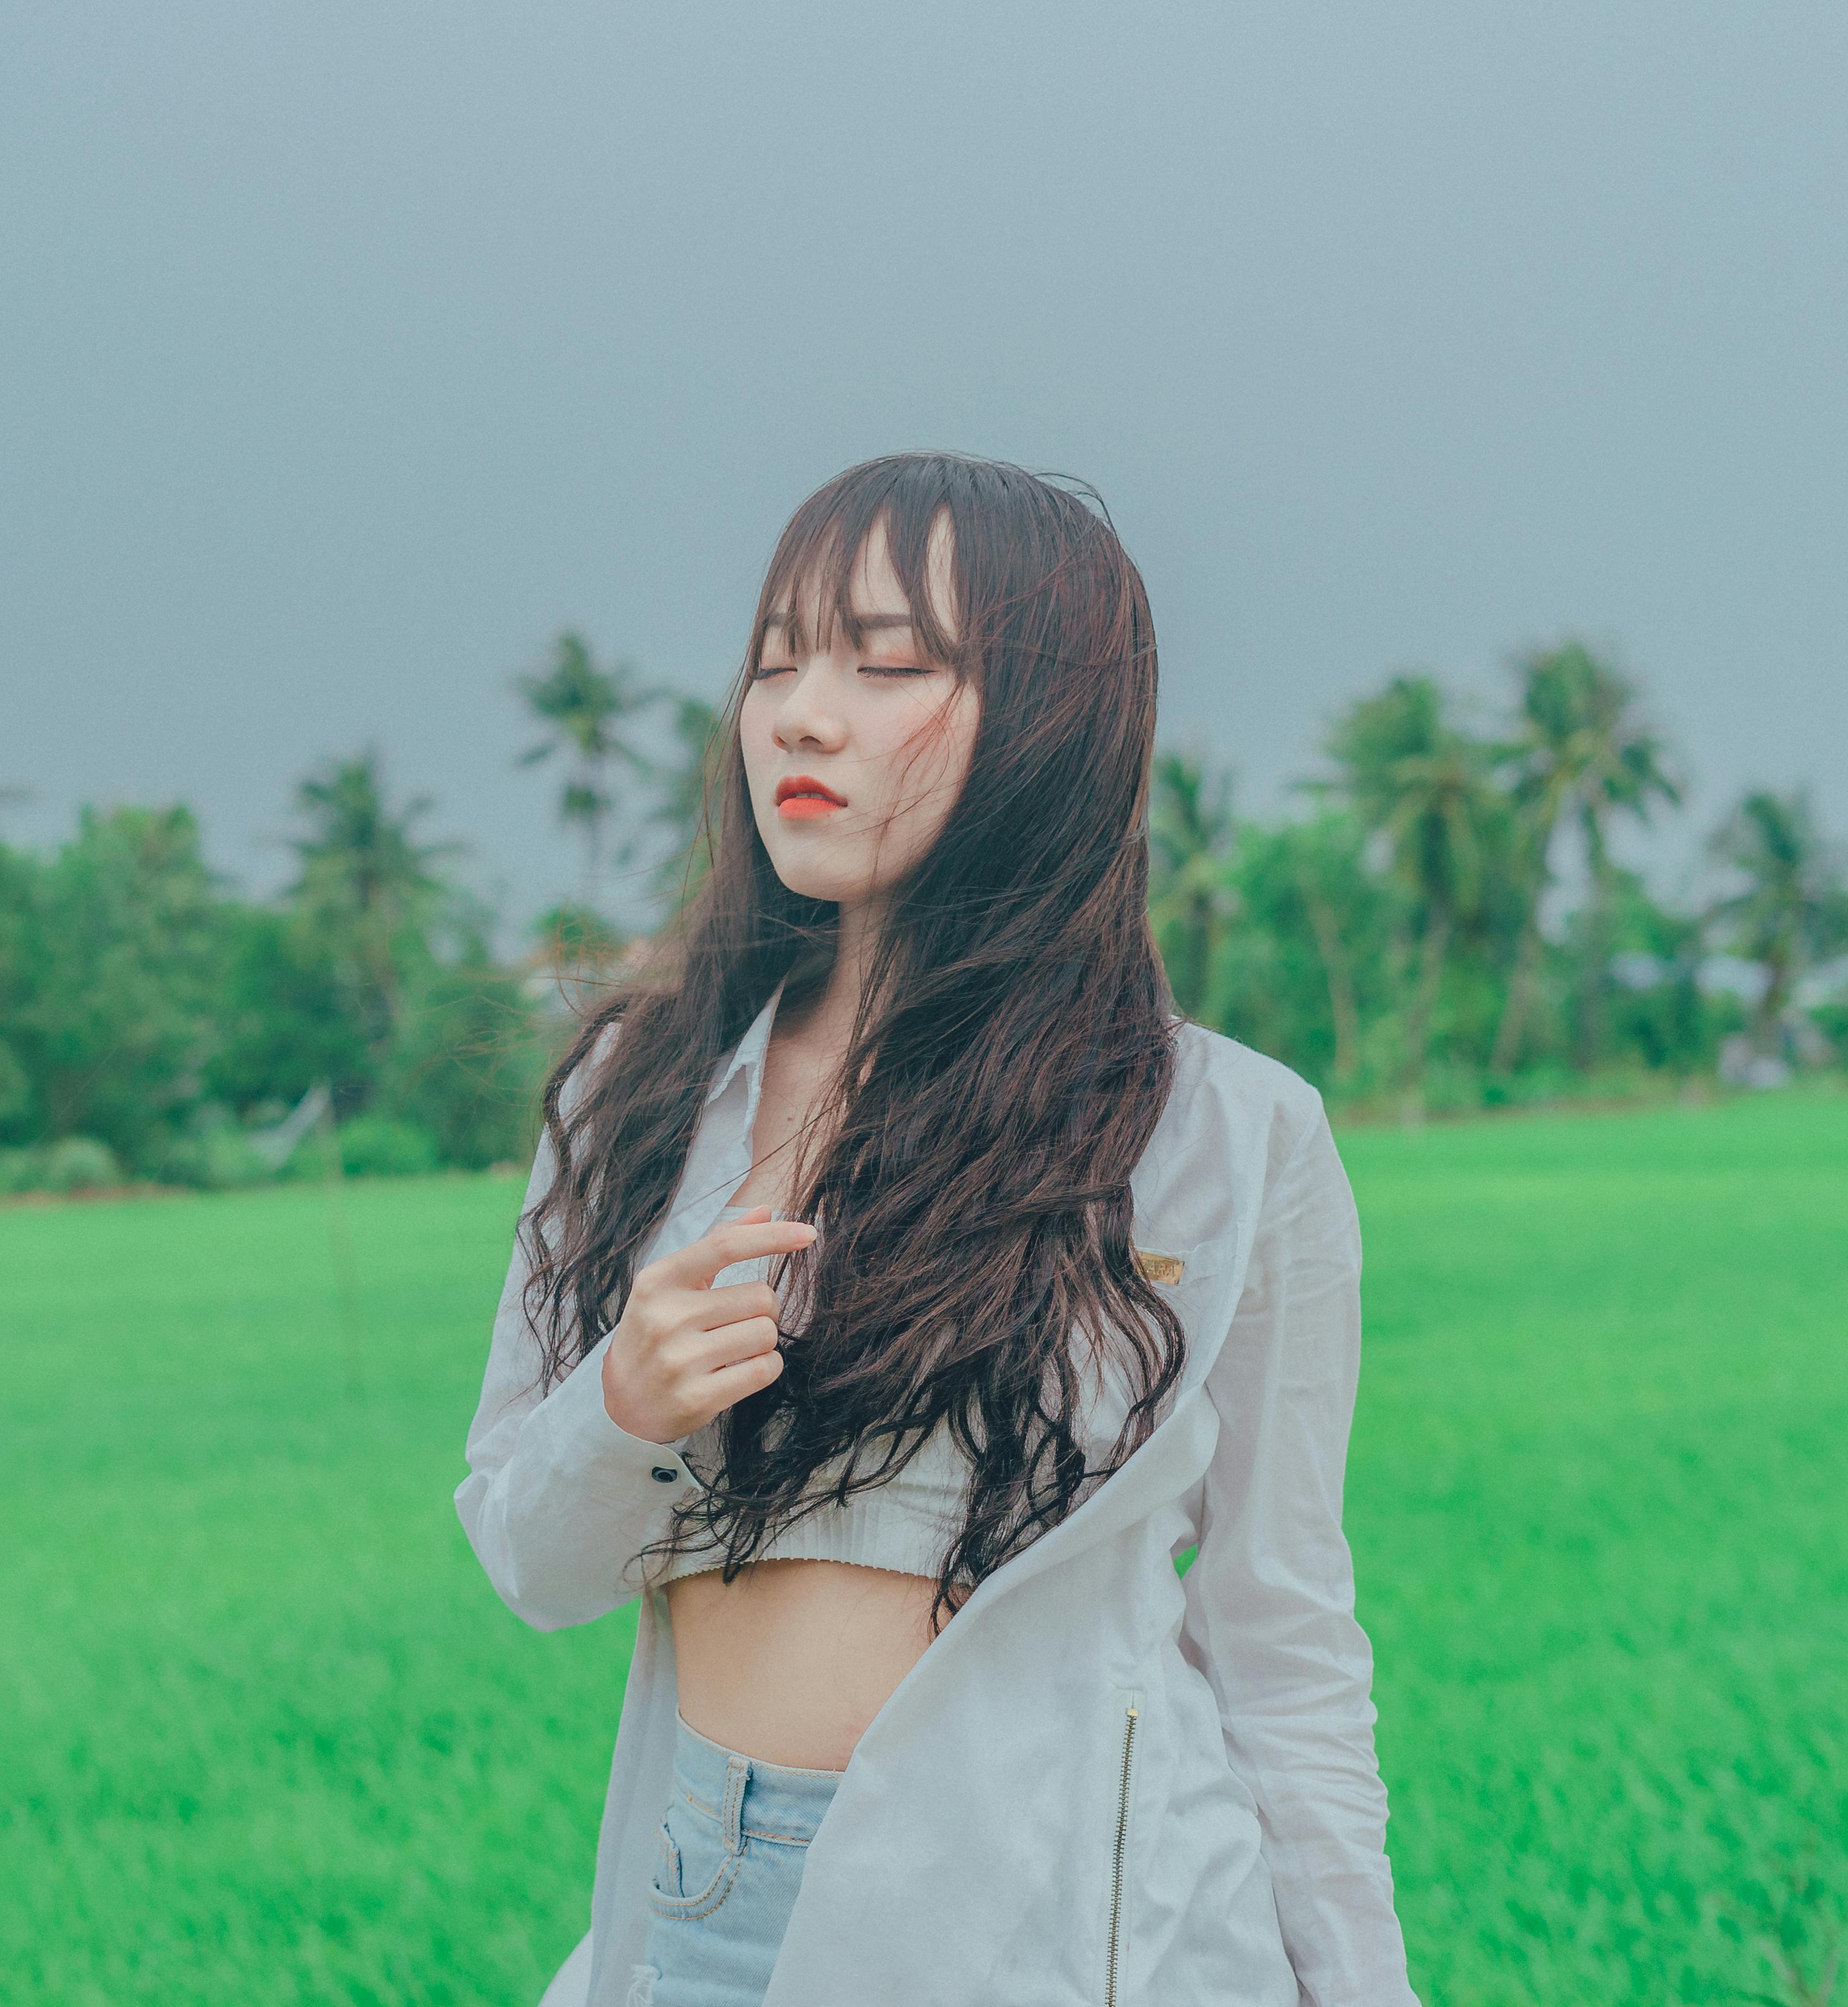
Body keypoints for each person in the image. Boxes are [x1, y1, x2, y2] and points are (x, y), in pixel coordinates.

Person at [456, 453, 1417, 2006]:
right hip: (700, 1897)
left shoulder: (1222, 1136)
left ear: (1051, 715)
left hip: (1063, 1915)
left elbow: (1281, 1637)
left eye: (886, 663)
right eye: (775, 660)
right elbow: (532, 1564)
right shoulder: (638, 1101)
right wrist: (623, 1411)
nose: (801, 714)